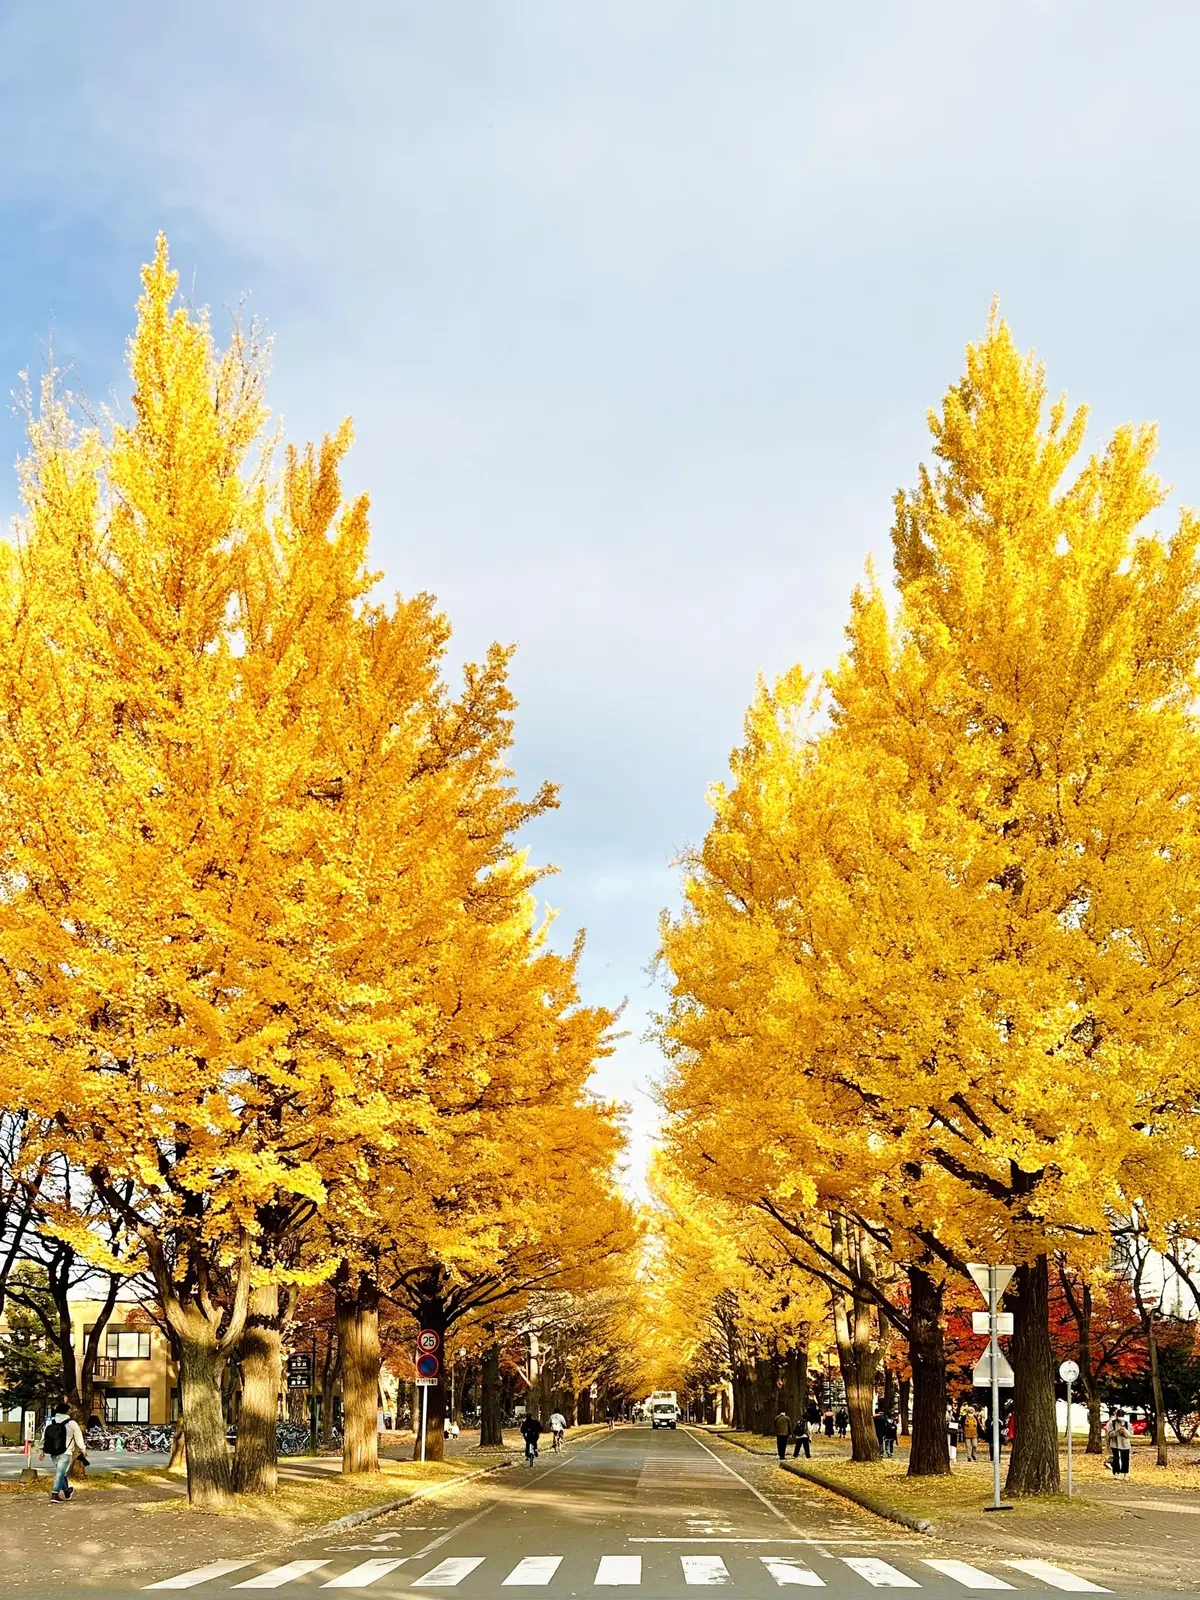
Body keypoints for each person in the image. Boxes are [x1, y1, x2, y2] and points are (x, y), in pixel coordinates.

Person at [39, 1405, 86, 1503]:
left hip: (53, 1453)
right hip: (66, 1452)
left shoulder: (50, 1423)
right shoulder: (72, 1423)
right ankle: (55, 1494)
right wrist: (83, 1449)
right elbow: (78, 1438)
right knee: (60, 1473)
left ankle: (67, 1491)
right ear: (67, 1411)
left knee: (62, 1473)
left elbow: (44, 1438)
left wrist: (41, 1451)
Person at [1105, 1410, 1132, 1478]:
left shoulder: (1127, 1423)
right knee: (1115, 1459)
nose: (1120, 1418)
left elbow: (1129, 1435)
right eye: (1119, 1416)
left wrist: (1124, 1430)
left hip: (1125, 1444)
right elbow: (1110, 1434)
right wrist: (1117, 1431)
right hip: (1115, 1444)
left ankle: (1125, 1474)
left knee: (1125, 1459)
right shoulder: (1112, 1423)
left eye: (1121, 1416)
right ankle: (1116, 1473)